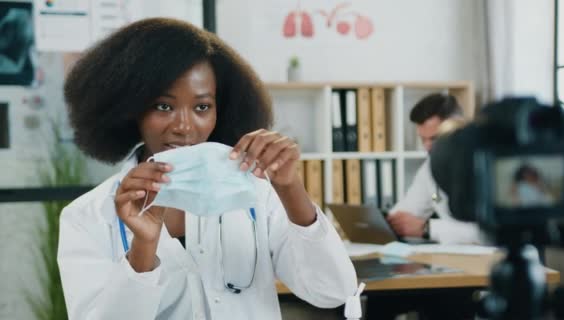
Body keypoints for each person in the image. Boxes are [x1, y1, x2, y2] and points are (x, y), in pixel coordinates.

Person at [57, 18, 357, 319]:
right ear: (131, 108)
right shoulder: (87, 216)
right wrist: (143, 248)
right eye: (164, 106)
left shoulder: (256, 193)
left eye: (202, 107)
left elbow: (331, 291)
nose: (184, 127)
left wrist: (290, 188)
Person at [386, 93, 481, 244]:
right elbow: (407, 210)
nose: (427, 146)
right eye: (423, 139)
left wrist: (427, 229)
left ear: (458, 128)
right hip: (454, 258)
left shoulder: (483, 165)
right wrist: (381, 223)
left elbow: (487, 232)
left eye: (434, 138)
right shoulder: (430, 168)